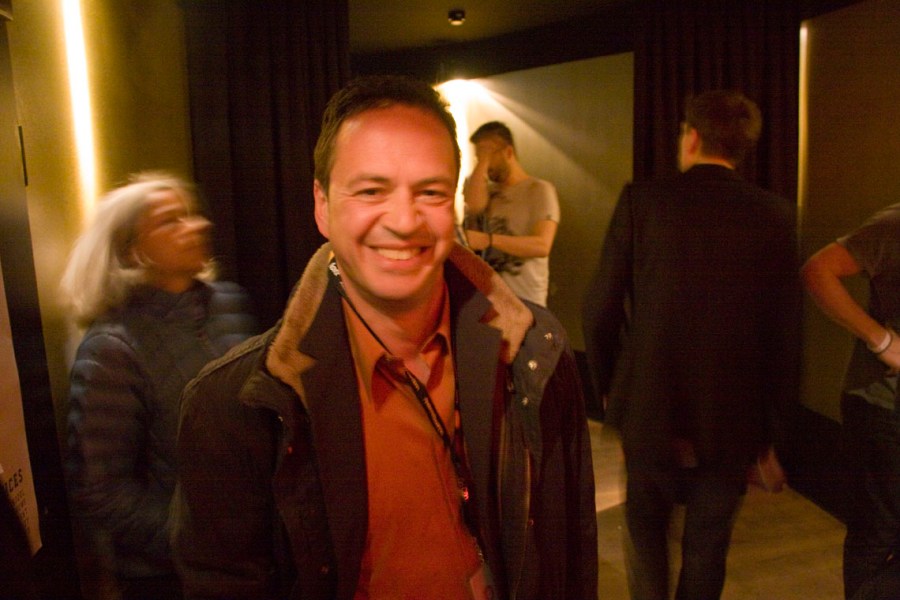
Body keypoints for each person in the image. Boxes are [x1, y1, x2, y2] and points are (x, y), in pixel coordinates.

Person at [173, 75, 597, 600]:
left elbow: (569, 550)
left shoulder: (534, 351)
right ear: (322, 205)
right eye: (371, 190)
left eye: (431, 192)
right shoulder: (235, 406)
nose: (403, 220)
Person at [582, 90, 799, 600]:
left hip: (649, 402)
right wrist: (774, 432)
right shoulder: (776, 215)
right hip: (734, 413)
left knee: (645, 529)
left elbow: (599, 307)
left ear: (692, 137)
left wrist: (611, 387)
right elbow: (785, 336)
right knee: (708, 544)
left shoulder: (642, 201)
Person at [61, 172, 257, 600]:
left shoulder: (229, 303)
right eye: (171, 221)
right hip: (167, 577)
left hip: (252, 560)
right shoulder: (113, 348)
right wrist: (194, 542)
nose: (199, 226)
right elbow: (101, 489)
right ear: (134, 251)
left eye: (192, 214)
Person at [802, 205, 900, 599]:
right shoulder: (895, 224)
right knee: (878, 532)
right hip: (885, 407)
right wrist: (882, 341)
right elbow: (818, 270)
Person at [462, 121, 560, 307]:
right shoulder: (487, 191)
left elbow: (542, 246)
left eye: (488, 154)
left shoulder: (539, 189)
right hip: (490, 302)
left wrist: (488, 240)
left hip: (527, 302)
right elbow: (474, 206)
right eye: (478, 156)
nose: (484, 162)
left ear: (508, 152)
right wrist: (483, 161)